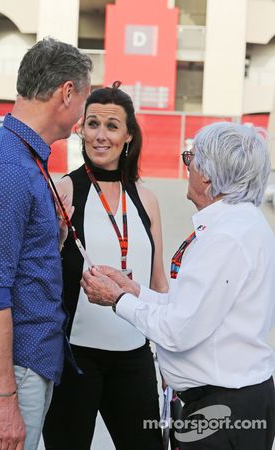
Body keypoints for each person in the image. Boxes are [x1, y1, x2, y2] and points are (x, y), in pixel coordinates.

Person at [82, 122, 275, 450]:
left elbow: (178, 331)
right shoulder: (243, 223)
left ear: (208, 176)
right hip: (232, 402)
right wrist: (134, 292)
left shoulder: (225, 237)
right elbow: (191, 308)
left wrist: (117, 300)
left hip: (221, 412)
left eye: (190, 159)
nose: (186, 168)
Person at [0, 37, 92, 450]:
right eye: (85, 98)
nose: (83, 115)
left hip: (23, 367)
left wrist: (54, 233)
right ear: (67, 92)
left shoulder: (24, 156)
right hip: (11, 373)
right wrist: (5, 399)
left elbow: (16, 259)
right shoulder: (9, 167)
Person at [43, 81, 168, 450]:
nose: (101, 135)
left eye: (112, 126)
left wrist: (171, 358)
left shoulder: (147, 198)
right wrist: (59, 236)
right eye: (93, 123)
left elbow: (159, 282)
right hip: (75, 360)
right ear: (80, 129)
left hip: (134, 357)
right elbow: (42, 272)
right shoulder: (64, 190)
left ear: (128, 135)